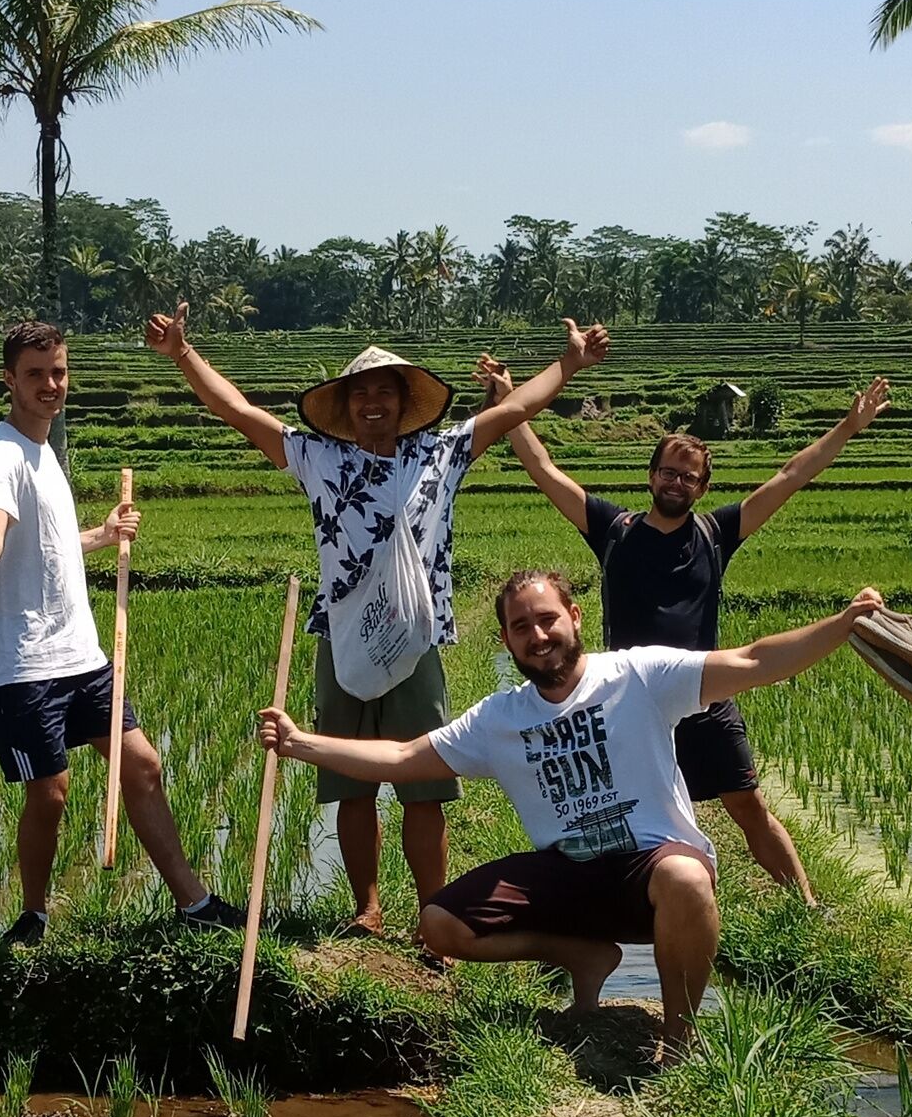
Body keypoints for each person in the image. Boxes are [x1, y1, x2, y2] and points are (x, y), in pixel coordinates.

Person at [258, 563, 894, 1058]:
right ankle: (586, 957)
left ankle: (679, 1036)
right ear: (506, 640)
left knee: (686, 876)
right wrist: (300, 743)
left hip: (650, 869)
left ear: (574, 617)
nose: (538, 636)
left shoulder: (641, 675)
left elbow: (753, 660)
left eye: (547, 620)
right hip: (567, 874)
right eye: (521, 627)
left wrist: (844, 623)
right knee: (440, 924)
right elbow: (401, 757)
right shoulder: (501, 718)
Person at [140, 308, 610, 934]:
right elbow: (238, 411)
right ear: (345, 405)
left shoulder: (441, 453)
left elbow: (516, 408)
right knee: (351, 782)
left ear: (403, 402)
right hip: (344, 638)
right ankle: (367, 907)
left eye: (384, 391)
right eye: (359, 392)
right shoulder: (318, 457)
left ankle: (433, 916)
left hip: (415, 640)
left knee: (425, 785)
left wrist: (570, 364)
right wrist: (183, 354)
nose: (371, 402)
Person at [477, 368, 892, 901]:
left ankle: (808, 907)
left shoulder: (715, 534)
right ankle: (626, 912)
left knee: (748, 806)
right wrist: (511, 403)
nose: (677, 483)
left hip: (704, 692)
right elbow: (542, 468)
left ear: (702, 487)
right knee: (623, 816)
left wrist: (848, 428)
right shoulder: (613, 531)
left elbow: (789, 477)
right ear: (651, 477)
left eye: (689, 477)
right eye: (669, 473)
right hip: (631, 704)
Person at [0, 320, 240, 951]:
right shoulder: (0, 454)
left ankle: (195, 903)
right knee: (50, 792)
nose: (50, 385)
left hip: (80, 653)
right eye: (35, 374)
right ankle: (33, 915)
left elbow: (45, 546)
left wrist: (101, 536)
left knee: (143, 765)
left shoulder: (45, 450)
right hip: (24, 661)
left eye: (58, 372)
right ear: (9, 380)